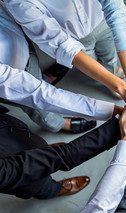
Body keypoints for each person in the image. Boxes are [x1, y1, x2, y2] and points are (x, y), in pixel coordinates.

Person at [4, 0, 126, 122]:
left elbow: (115, 10)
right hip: (73, 39)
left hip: (102, 19)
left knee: (109, 54)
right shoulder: (18, 2)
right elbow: (64, 47)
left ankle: (112, 71)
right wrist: (124, 89)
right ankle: (110, 79)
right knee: (92, 64)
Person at [0, 97, 126, 200]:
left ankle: (40, 150)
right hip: (22, 176)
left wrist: (121, 113)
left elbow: (41, 92)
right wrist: (123, 127)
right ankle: (55, 189)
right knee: (41, 184)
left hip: (11, 132)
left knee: (37, 146)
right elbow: (62, 157)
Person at [0, 2, 100, 133]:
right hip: (11, 69)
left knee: (34, 70)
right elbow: (36, 93)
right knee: (32, 100)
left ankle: (45, 79)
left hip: (15, 38)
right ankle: (57, 124)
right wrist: (109, 106)